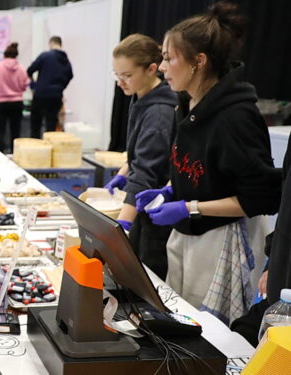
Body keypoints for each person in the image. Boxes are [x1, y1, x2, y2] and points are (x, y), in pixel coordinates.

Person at [136, 2, 281, 324]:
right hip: (189, 230)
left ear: (198, 62)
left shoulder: (236, 117)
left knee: (211, 332)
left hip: (222, 239)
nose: (161, 66)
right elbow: (199, 170)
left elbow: (259, 198)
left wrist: (190, 207)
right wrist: (170, 190)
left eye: (169, 58)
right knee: (180, 317)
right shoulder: (186, 104)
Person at [103, 34, 177, 280]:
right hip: (142, 204)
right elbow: (137, 153)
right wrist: (123, 173)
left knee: (148, 279)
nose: (121, 82)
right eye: (117, 75)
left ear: (152, 69)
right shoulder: (141, 95)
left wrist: (121, 227)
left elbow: (146, 171)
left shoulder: (158, 113)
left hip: (157, 211)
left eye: (127, 75)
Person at [0, 42, 30, 154]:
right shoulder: (21, 69)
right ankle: (16, 154)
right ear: (16, 56)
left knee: (0, 130)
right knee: (15, 131)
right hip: (17, 102)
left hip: (1, 103)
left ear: (4, 55)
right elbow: (25, 85)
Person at [27, 36, 73, 137]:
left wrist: (34, 85)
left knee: (36, 126)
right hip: (56, 97)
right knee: (51, 128)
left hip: (40, 95)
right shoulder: (66, 61)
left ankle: (34, 150)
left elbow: (30, 70)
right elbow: (70, 76)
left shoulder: (45, 56)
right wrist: (60, 87)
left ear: (51, 43)